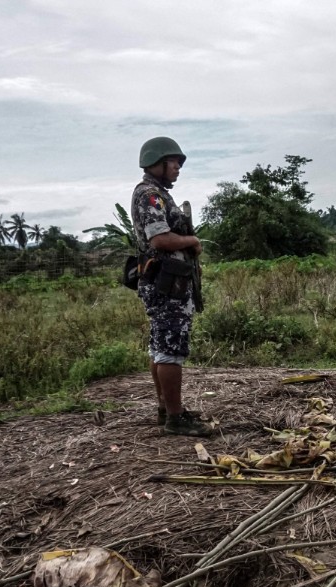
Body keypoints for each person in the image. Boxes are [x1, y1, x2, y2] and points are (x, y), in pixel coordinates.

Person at [130, 136, 213, 437]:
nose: (178, 167)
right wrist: (192, 241)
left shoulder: (159, 194)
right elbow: (160, 239)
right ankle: (176, 417)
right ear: (157, 162)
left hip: (169, 282)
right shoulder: (150, 195)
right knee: (170, 349)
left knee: (160, 347)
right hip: (167, 284)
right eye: (173, 161)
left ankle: (167, 408)